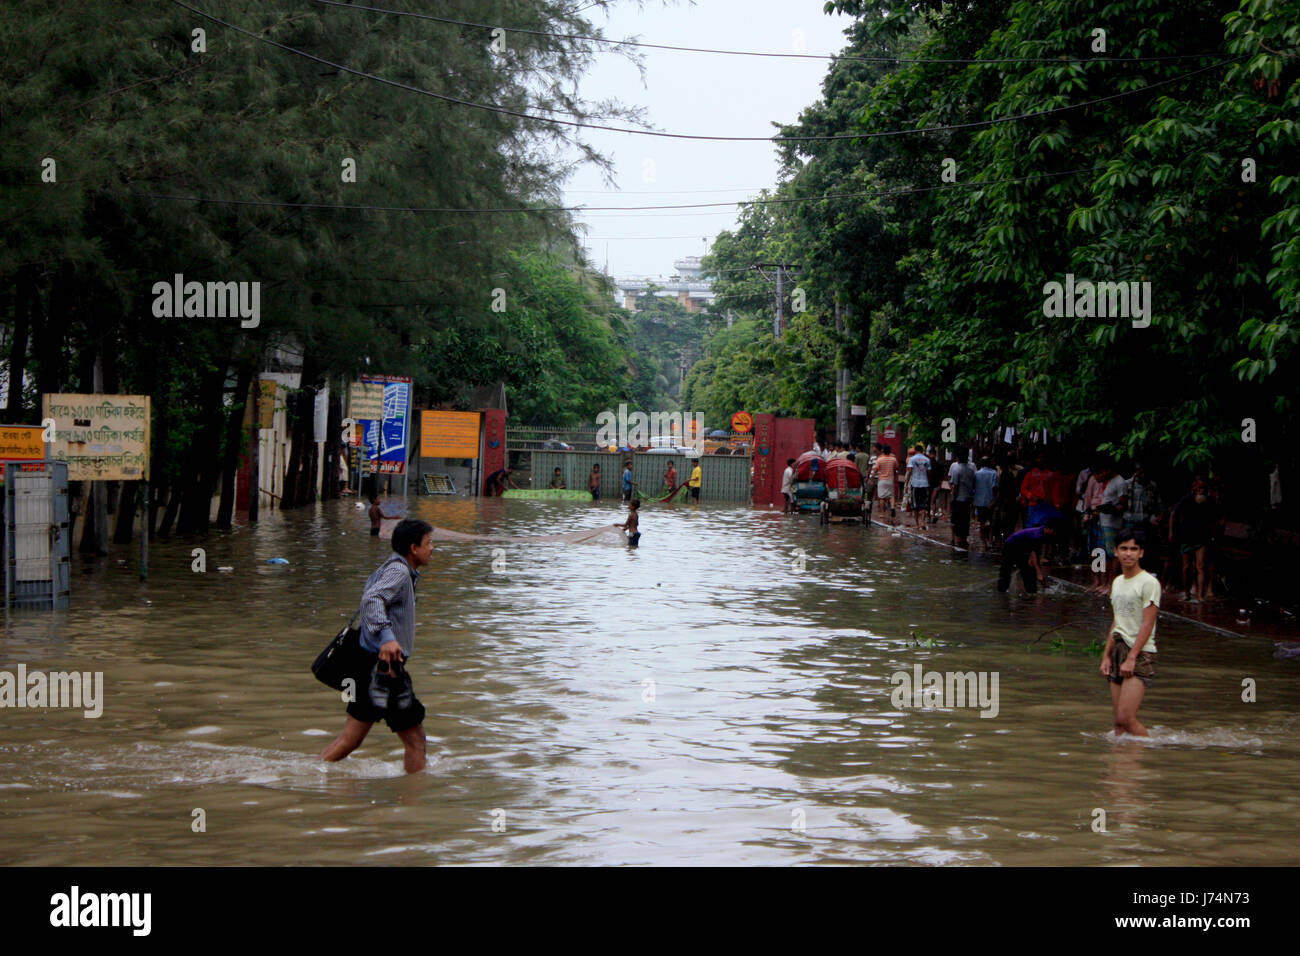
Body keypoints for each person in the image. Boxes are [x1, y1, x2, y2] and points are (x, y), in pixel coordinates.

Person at [321, 518, 433, 774]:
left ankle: (313, 776)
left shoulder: (395, 568)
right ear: (413, 548)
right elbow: (372, 600)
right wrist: (388, 638)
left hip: (370, 666)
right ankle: (413, 805)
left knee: (350, 740)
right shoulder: (399, 571)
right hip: (384, 670)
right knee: (416, 741)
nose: (432, 548)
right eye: (428, 543)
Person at [1100, 530, 1160, 737]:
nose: (1128, 554)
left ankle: (1148, 754)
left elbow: (1148, 623)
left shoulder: (1149, 583)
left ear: (1141, 553)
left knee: (1127, 718)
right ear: (1115, 552)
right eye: (1124, 548)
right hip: (1118, 648)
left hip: (1140, 652)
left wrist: (1132, 657)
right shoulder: (1117, 582)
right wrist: (1106, 655)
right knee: (1118, 722)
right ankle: (1119, 767)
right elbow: (1117, 621)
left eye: (1133, 549)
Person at [1171, 475, 1219, 601]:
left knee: (1200, 566)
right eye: (1199, 487)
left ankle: (1200, 595)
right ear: (1194, 487)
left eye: (1203, 488)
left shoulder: (1209, 501)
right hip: (1186, 537)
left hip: (1202, 538)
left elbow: (1214, 520)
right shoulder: (1186, 499)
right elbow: (1174, 513)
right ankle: (1186, 592)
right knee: (1186, 568)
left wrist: (1213, 535)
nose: (1201, 490)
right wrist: (1172, 532)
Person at [997, 517, 1064, 593]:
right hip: (1011, 546)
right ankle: (1002, 592)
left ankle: (1031, 592)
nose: (1054, 534)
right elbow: (1033, 553)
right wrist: (1039, 573)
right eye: (1053, 531)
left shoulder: (1043, 533)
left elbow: (1035, 552)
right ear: (1047, 528)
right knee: (1006, 570)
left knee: (1029, 570)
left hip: (1023, 548)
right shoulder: (1037, 535)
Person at [948, 449, 976, 549]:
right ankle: (963, 540)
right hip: (968, 499)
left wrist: (953, 499)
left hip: (959, 499)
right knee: (965, 521)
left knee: (956, 520)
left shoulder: (957, 470)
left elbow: (955, 486)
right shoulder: (971, 469)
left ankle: (957, 540)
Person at [973, 457, 998, 550]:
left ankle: (984, 543)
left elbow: (973, 487)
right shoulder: (994, 473)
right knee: (991, 523)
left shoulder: (977, 474)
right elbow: (995, 488)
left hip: (979, 502)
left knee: (982, 523)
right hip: (990, 502)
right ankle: (991, 541)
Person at [871, 443, 900, 526]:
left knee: (882, 498)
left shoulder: (879, 460)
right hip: (890, 480)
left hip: (882, 480)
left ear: (883, 451)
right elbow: (896, 468)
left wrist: (871, 478)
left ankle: (882, 513)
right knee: (891, 496)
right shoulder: (893, 459)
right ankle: (892, 507)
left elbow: (875, 470)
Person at [905, 443, 931, 532]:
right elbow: (928, 472)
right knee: (923, 504)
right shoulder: (927, 460)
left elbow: (909, 472)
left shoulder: (912, 459)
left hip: (915, 484)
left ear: (915, 450)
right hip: (925, 483)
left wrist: (906, 484)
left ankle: (917, 524)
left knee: (915, 505)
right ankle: (923, 521)